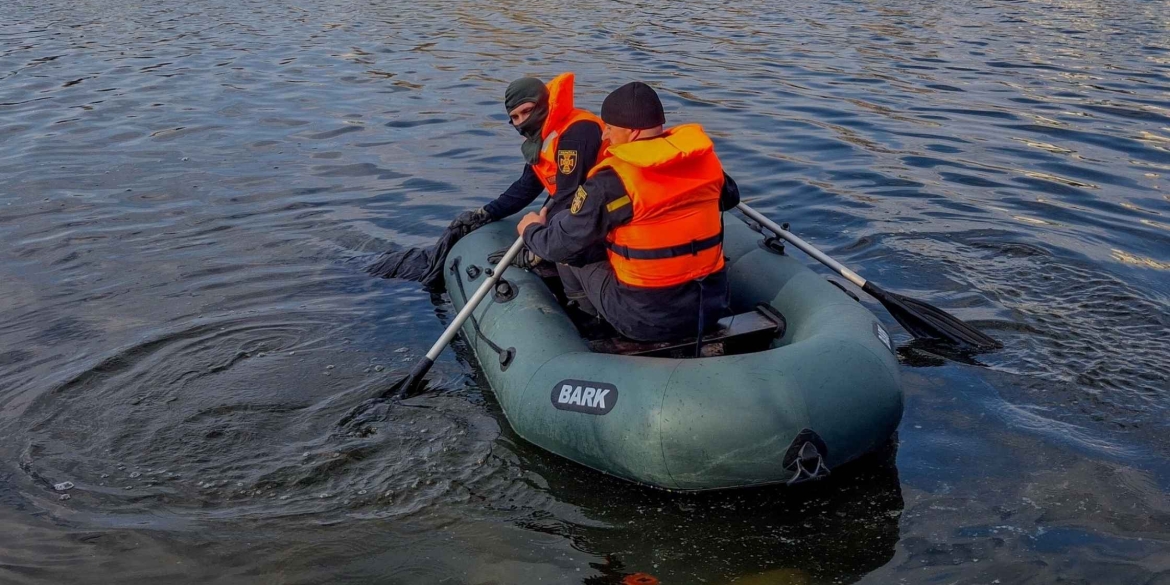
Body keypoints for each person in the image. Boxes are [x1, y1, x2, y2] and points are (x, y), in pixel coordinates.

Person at [516, 81, 740, 343]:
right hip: (710, 307)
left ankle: (590, 324)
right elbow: (730, 198)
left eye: (609, 128)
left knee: (572, 254)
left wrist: (531, 229)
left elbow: (558, 246)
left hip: (644, 319)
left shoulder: (612, 181)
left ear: (632, 132)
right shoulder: (705, 162)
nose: (605, 136)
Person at [448, 72, 605, 269]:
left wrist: (538, 243)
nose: (522, 121)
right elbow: (527, 185)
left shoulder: (577, 132)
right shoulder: (543, 137)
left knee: (555, 256)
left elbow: (570, 194)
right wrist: (487, 213)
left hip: (605, 212)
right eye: (515, 117)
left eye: (527, 111)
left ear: (542, 105)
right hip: (581, 209)